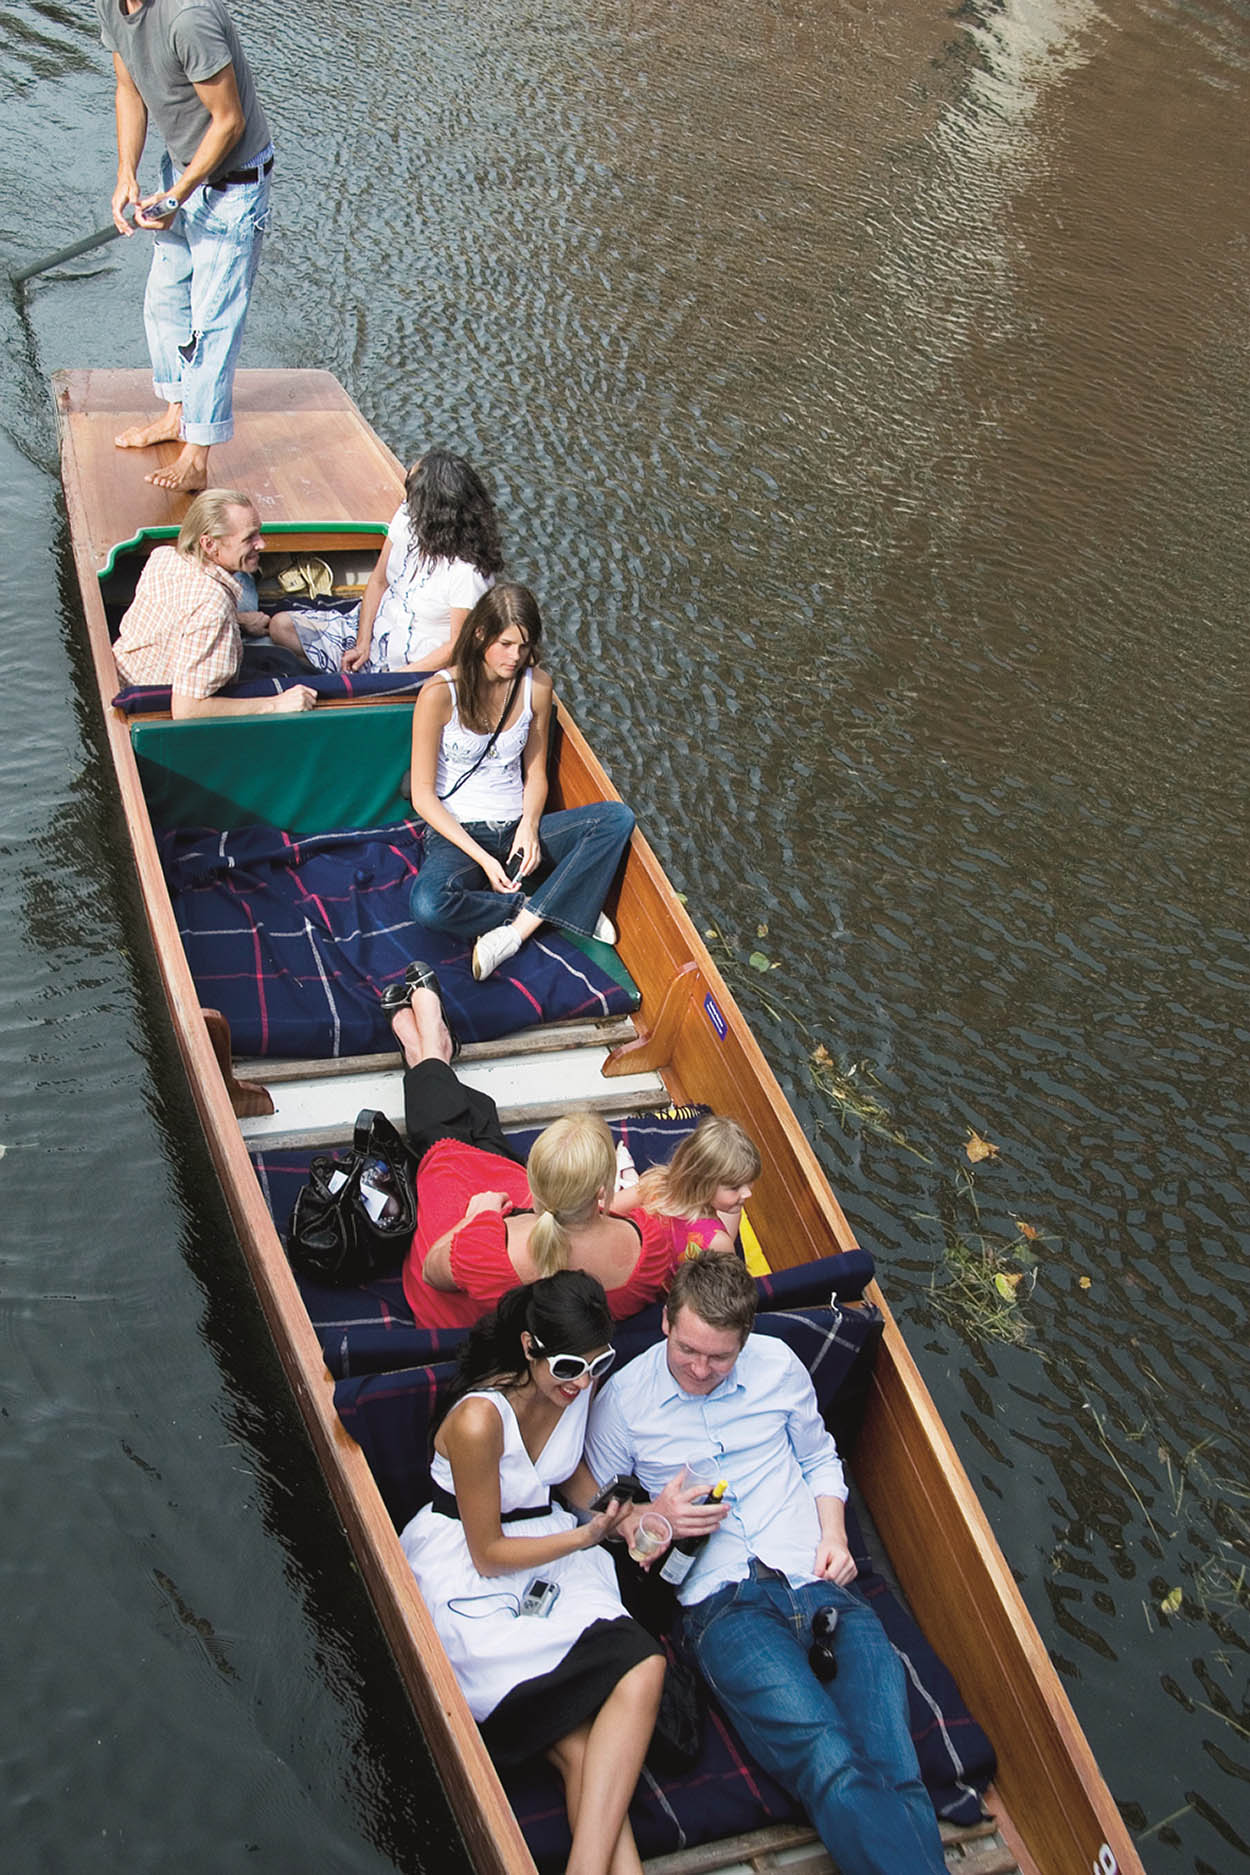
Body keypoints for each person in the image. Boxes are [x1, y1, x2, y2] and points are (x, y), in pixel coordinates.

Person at [581, 1255, 948, 1875]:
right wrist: (656, 1516)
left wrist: (834, 1534)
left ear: (744, 1341)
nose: (700, 1369)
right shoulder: (624, 1402)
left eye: (719, 1358)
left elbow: (820, 1459)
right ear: (667, 1322)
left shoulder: (777, 1364)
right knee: (828, 1760)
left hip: (820, 1580)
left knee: (896, 1769)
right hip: (725, 1607)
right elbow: (596, 1516)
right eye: (689, 1350)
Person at [399, 1271, 665, 1875]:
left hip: (551, 1543)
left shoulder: (580, 1386)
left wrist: (623, 1518)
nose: (581, 1381)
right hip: (470, 1565)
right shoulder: (478, 1421)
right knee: (635, 1672)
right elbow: (487, 1550)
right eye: (568, 1366)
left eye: (595, 1365)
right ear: (528, 1347)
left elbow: (563, 1473)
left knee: (583, 1745)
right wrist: (586, 1535)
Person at [385, 975, 723, 1329]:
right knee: (479, 1128)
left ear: (533, 1180)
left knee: (442, 1139)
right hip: (523, 1259)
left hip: (457, 1300)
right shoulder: (646, 1250)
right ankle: (429, 1052)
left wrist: (477, 1217)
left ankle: (428, 1052)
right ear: (602, 1192)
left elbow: (432, 1273)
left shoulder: (485, 1246)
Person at [406, 583, 635, 980]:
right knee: (428, 904)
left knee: (616, 819)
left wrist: (529, 827)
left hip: (517, 828)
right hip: (459, 834)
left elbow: (535, 772)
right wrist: (483, 859)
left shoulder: (538, 687)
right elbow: (424, 797)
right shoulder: (439, 694)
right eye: (506, 644)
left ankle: (514, 934)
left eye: (525, 646)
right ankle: (558, 905)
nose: (516, 657)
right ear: (480, 635)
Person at [97, 0, 275, 493]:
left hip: (233, 186)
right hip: (180, 173)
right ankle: (177, 411)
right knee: (164, 298)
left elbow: (229, 121)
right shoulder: (111, 6)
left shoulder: (187, 16)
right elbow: (128, 89)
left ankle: (198, 453)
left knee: (212, 320)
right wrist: (126, 174)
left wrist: (180, 194)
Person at [274, 451, 505, 675]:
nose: (405, 499)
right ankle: (345, 671)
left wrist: (395, 679)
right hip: (375, 631)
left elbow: (457, 647)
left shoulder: (468, 573)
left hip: (412, 662)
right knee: (280, 627)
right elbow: (378, 581)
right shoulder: (407, 517)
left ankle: (346, 678)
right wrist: (362, 643)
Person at [113, 488, 317, 717]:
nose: (262, 544)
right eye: (250, 538)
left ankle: (255, 572)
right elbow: (187, 710)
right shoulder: (213, 607)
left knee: (279, 657)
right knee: (286, 666)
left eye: (258, 534)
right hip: (162, 704)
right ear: (209, 544)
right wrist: (276, 704)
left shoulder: (163, 556)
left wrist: (238, 619)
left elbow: (187, 614)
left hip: (125, 673)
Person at [610, 1114, 761, 1262]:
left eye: (749, 1182)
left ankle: (628, 1178)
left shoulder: (657, 1182)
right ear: (702, 1184)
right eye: (735, 1187)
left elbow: (606, 1208)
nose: (748, 1193)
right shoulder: (718, 1242)